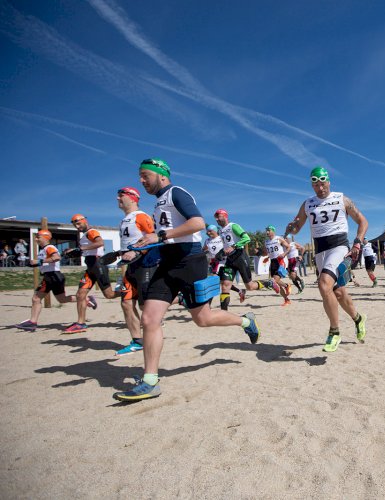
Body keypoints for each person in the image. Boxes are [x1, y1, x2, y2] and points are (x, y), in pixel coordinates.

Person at [113, 158, 260, 402]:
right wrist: (141, 247)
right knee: (149, 318)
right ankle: (150, 380)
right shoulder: (159, 203)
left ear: (161, 175)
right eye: (139, 176)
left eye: (145, 175)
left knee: (203, 319)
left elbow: (197, 223)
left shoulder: (175, 193)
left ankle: (245, 321)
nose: (141, 180)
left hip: (190, 262)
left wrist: (161, 234)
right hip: (166, 263)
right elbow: (166, 237)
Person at [285, 166, 367, 353]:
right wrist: (292, 228)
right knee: (338, 293)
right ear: (312, 185)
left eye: (323, 183)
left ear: (329, 181)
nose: (320, 188)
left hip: (339, 246)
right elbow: (297, 227)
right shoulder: (307, 203)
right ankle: (358, 319)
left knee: (323, 284)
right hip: (320, 251)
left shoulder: (341, 199)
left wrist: (357, 243)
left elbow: (363, 221)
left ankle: (334, 331)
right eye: (316, 185)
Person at [113, 186, 161, 356]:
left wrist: (137, 252)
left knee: (144, 305)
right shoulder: (124, 220)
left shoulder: (141, 216)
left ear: (133, 198)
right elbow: (129, 245)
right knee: (126, 302)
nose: (118, 199)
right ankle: (137, 341)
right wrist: (117, 254)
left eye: (121, 196)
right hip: (130, 267)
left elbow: (154, 239)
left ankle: (182, 297)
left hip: (146, 264)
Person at [214, 209, 279, 310]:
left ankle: (269, 283)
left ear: (225, 216)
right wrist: (220, 253)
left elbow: (246, 238)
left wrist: (234, 246)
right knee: (225, 285)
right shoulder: (220, 230)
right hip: (230, 260)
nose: (217, 219)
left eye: (219, 216)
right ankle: (224, 313)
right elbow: (227, 245)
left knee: (250, 286)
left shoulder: (233, 226)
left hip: (240, 257)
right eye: (216, 217)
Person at [63, 214, 116, 333]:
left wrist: (81, 249)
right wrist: (75, 251)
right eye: (74, 225)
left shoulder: (91, 232)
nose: (77, 226)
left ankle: (130, 293)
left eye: (78, 223)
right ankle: (80, 323)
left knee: (109, 295)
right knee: (80, 294)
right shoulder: (84, 236)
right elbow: (88, 249)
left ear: (84, 221)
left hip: (98, 265)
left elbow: (100, 243)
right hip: (90, 267)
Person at [15, 231, 77, 331]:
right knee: (62, 299)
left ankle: (32, 322)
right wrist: (32, 263)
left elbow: (56, 257)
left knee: (36, 298)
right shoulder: (43, 250)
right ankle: (86, 300)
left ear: (46, 238)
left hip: (53, 276)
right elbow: (46, 262)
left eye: (38, 237)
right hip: (51, 276)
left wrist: (39, 261)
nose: (36, 239)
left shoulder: (49, 247)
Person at [263, 225, 293, 306]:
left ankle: (287, 286)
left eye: (268, 230)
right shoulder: (266, 242)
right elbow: (267, 252)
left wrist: (284, 254)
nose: (267, 232)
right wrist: (267, 257)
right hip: (273, 262)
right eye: (266, 230)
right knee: (277, 283)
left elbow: (288, 247)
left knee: (274, 281)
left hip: (281, 261)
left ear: (273, 231)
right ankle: (286, 298)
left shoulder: (278, 238)